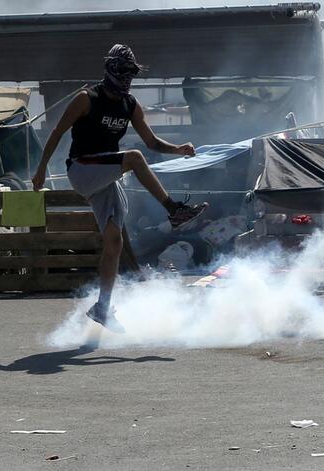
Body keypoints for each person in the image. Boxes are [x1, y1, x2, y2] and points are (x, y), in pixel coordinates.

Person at [32, 44, 208, 333]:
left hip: (106, 175)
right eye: (124, 72)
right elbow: (56, 132)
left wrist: (178, 149)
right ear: (111, 70)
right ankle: (174, 210)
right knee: (134, 157)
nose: (128, 78)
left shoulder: (130, 105)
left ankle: (102, 307)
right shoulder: (87, 98)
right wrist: (41, 171)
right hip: (83, 169)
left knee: (114, 241)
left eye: (132, 73)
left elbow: (152, 142)